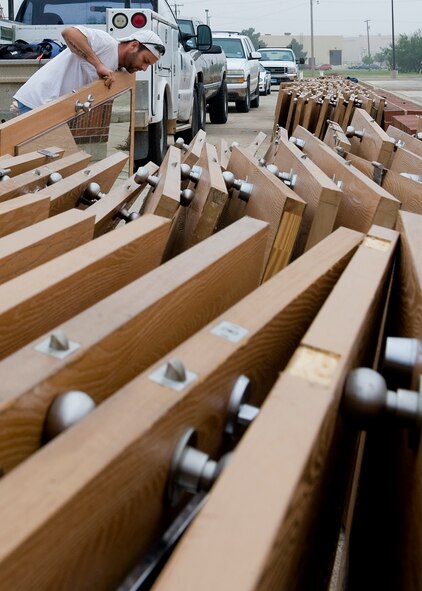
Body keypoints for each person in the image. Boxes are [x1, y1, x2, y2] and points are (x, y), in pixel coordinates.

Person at [12, 26, 165, 115]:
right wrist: (98, 64)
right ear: (133, 46)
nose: (144, 68)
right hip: (38, 102)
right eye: (145, 60)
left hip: (53, 109)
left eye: (148, 65)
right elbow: (69, 32)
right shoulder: (106, 43)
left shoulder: (117, 67)